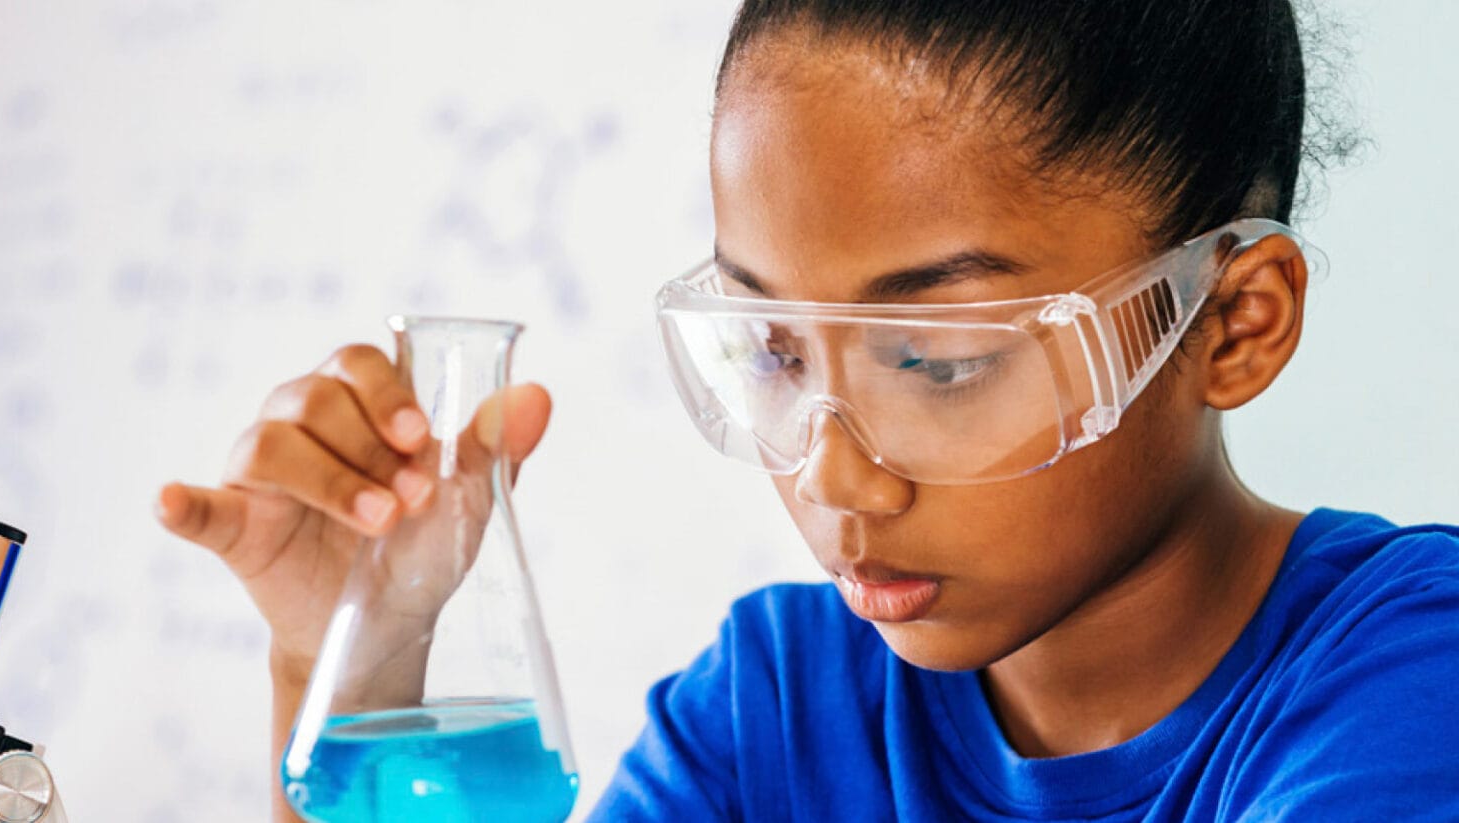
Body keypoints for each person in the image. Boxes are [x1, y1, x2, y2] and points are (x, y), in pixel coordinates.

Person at [157, 1, 1459, 819]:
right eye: (774, 351)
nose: (836, 480)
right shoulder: (776, 707)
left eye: (937, 359)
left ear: (1233, 324)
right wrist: (355, 660)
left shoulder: (1406, 680)